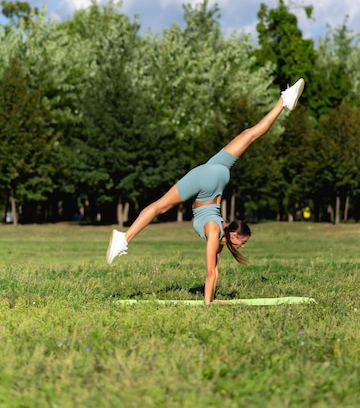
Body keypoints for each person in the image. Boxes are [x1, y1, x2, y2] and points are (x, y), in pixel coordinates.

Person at [106, 78, 305, 303]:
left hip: (218, 175)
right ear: (234, 235)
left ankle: (283, 100)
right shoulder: (214, 231)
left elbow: (215, 271)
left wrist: (210, 300)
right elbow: (210, 271)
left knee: (249, 135)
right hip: (208, 182)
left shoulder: (221, 235)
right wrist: (208, 305)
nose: (243, 245)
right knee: (160, 206)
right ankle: (124, 237)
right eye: (243, 241)